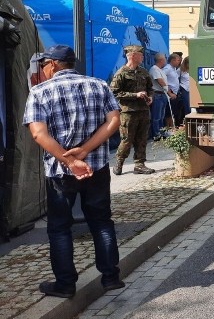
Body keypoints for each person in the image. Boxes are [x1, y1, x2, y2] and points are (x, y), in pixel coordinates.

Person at [22, 44, 124, 298]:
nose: (43, 69)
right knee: (101, 221)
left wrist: (70, 160)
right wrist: (85, 150)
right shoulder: (99, 85)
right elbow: (114, 121)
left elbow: (38, 133)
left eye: (44, 64)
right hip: (96, 166)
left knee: (59, 227)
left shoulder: (39, 91)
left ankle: (65, 284)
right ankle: (111, 278)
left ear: (53, 64)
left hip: (60, 171)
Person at [109, 45, 154, 175]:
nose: (142, 57)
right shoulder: (121, 73)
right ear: (132, 56)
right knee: (127, 139)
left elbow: (150, 87)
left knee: (142, 138)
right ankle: (119, 162)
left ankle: (140, 164)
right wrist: (135, 95)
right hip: (128, 112)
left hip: (143, 110)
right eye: (140, 54)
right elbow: (115, 92)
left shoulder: (144, 72)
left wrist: (150, 97)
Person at [149, 53, 169, 139]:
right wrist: (167, 91)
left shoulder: (160, 70)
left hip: (162, 95)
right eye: (164, 59)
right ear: (161, 60)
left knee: (161, 116)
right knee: (156, 116)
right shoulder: (154, 69)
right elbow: (159, 81)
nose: (165, 60)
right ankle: (156, 134)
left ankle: (162, 132)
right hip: (157, 95)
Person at [164, 53, 182, 128]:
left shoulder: (174, 69)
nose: (179, 62)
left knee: (174, 112)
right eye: (178, 60)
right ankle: (168, 127)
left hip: (175, 94)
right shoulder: (167, 69)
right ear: (173, 60)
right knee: (169, 113)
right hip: (170, 94)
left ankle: (172, 126)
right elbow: (161, 79)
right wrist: (168, 91)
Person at [177, 55, 191, 126]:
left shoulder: (192, 69)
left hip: (192, 90)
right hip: (184, 89)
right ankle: (186, 122)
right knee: (187, 107)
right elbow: (175, 79)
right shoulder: (180, 70)